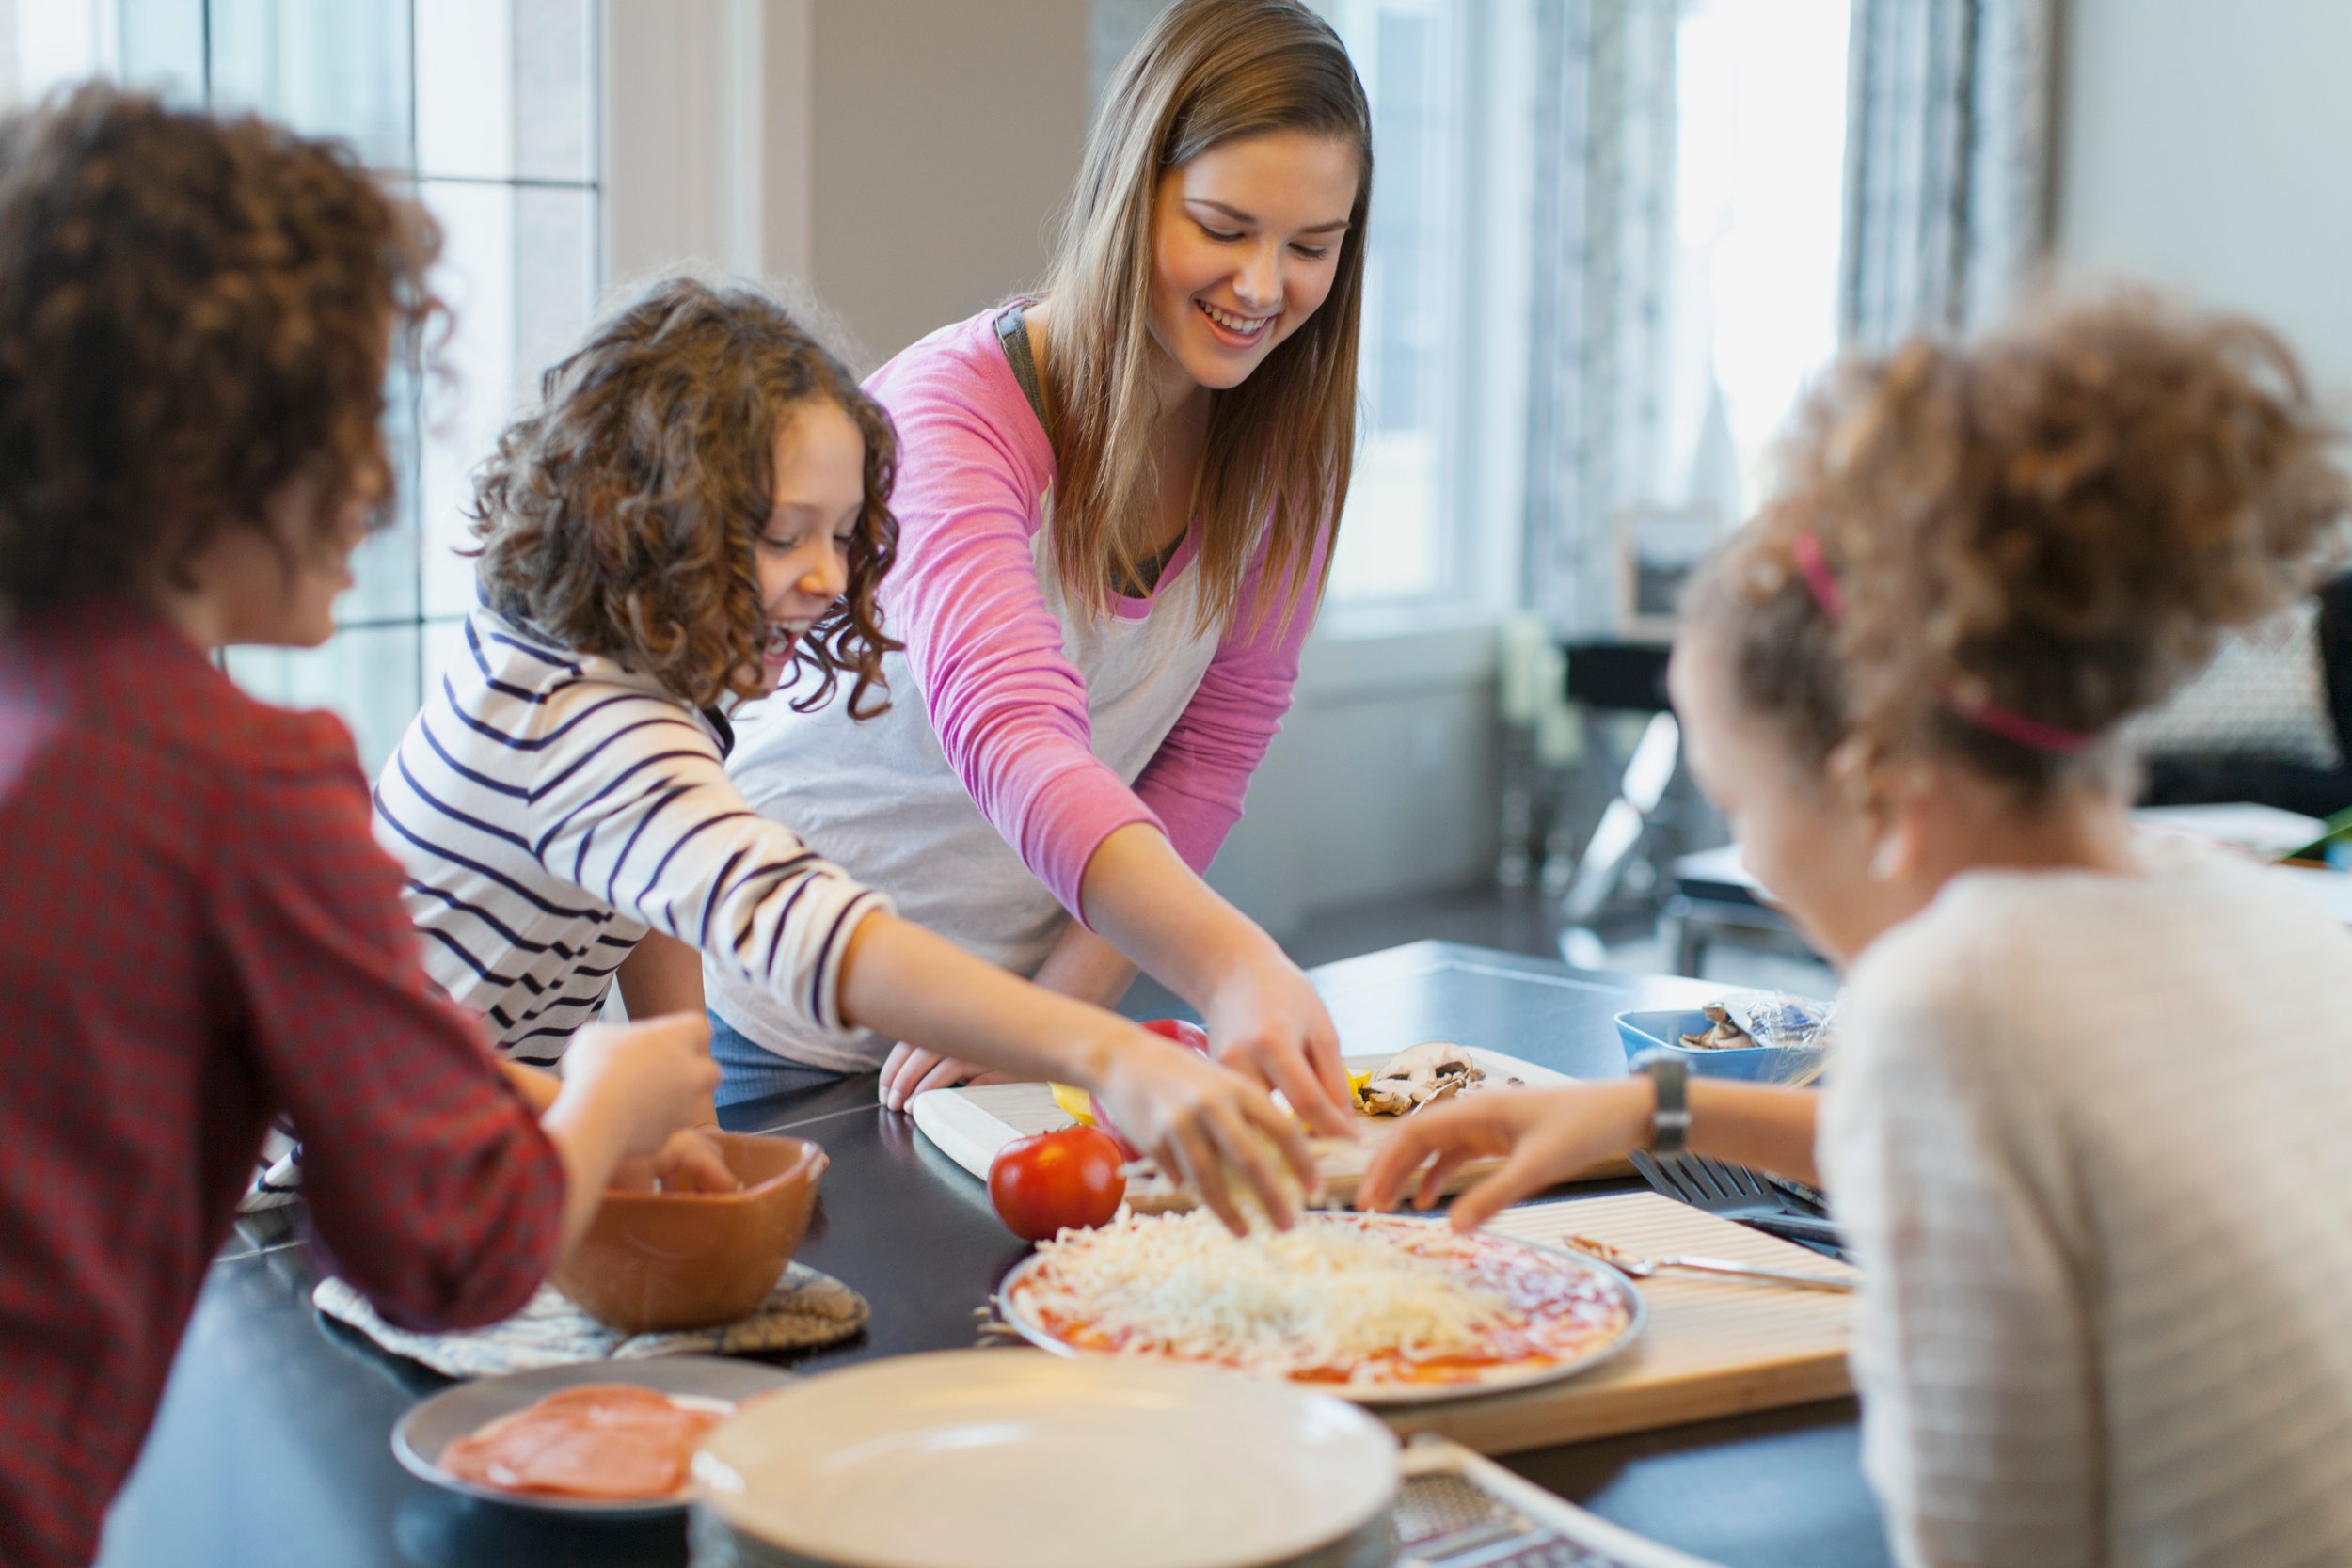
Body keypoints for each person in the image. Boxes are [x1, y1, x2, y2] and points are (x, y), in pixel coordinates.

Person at [1362, 295, 2352, 1567]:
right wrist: (1642, 1111)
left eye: (1739, 801)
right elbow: (2010, 1143)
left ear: (1869, 773)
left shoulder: (1954, 998)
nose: (1755, 860)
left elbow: (1991, 1534)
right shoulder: (2258, 907)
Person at [0, 87, 719, 1568]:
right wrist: (608, 1094)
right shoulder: (241, 778)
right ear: (208, 441)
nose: (382, 489)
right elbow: (449, 1247)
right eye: (348, 420)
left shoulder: (41, 704)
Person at [374, 274, 1316, 1234]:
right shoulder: (584, 724)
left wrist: (693, 1124)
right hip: (351, 1188)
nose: (829, 577)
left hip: (452, 1136)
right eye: (786, 536)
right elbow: (809, 927)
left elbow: (650, 895)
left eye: (841, 533)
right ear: (646, 514)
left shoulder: (577, 652)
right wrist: (1109, 1053)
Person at [708, 0, 1371, 1132]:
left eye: (1310, 247)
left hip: (1011, 1015)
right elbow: (1012, 731)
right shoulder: (949, 413)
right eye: (1222, 226)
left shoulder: (1282, 455)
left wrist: (1043, 1014)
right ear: (1132, 190)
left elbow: (1207, 755)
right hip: (788, 1002)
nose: (1262, 287)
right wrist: (1227, 965)